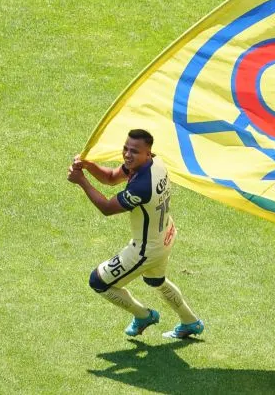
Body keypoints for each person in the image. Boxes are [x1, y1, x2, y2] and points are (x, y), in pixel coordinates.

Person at [67, 129, 204, 339]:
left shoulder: (142, 187)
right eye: (126, 148)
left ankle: (143, 316)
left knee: (98, 282)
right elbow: (111, 178)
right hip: (165, 235)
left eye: (134, 151)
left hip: (146, 249)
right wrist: (88, 165)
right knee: (155, 281)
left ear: (147, 153)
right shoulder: (155, 163)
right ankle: (190, 321)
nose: (127, 155)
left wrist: (82, 181)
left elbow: (107, 208)